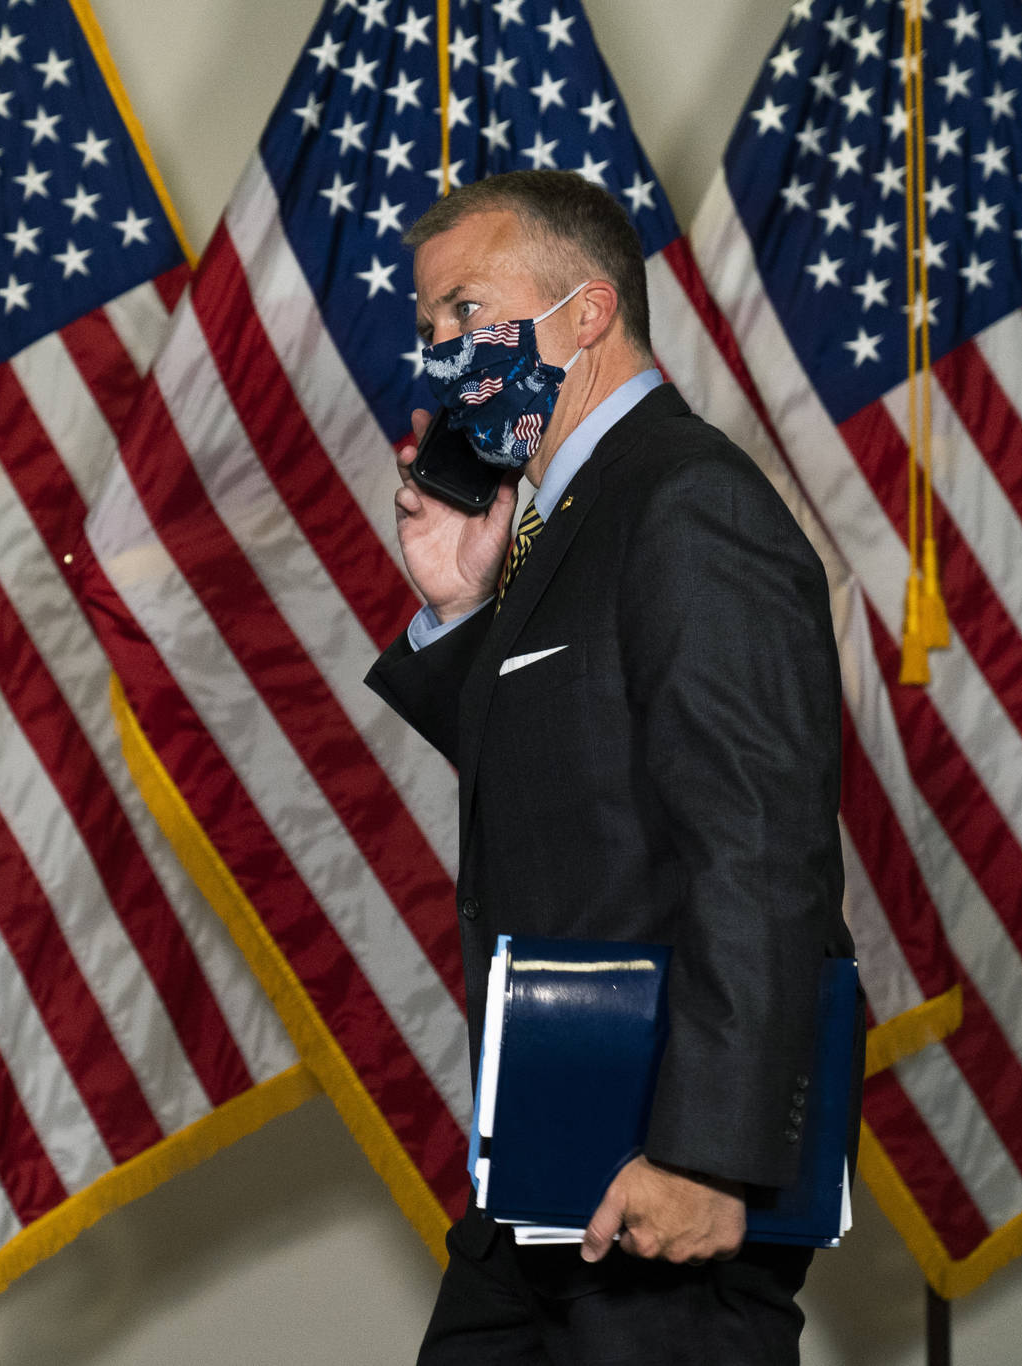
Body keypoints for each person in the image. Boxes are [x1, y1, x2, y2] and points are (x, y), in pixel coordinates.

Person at [363, 169, 856, 1365]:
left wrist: (706, 1155)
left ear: (586, 312)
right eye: (429, 328)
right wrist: (465, 610)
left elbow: (755, 848)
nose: (441, 350)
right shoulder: (567, 517)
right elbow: (571, 778)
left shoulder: (686, 499)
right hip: (539, 1164)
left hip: (657, 1179)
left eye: (467, 310)